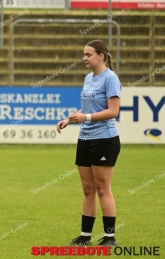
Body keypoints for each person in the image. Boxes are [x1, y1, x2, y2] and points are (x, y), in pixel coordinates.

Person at [57, 39, 121, 247]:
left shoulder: (110, 78)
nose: (84, 58)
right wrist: (70, 119)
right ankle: (85, 236)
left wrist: (87, 119)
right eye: (84, 54)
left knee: (103, 187)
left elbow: (113, 111)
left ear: (100, 56)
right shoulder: (88, 78)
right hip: (85, 138)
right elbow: (86, 108)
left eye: (88, 54)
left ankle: (110, 238)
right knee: (87, 188)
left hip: (104, 139)